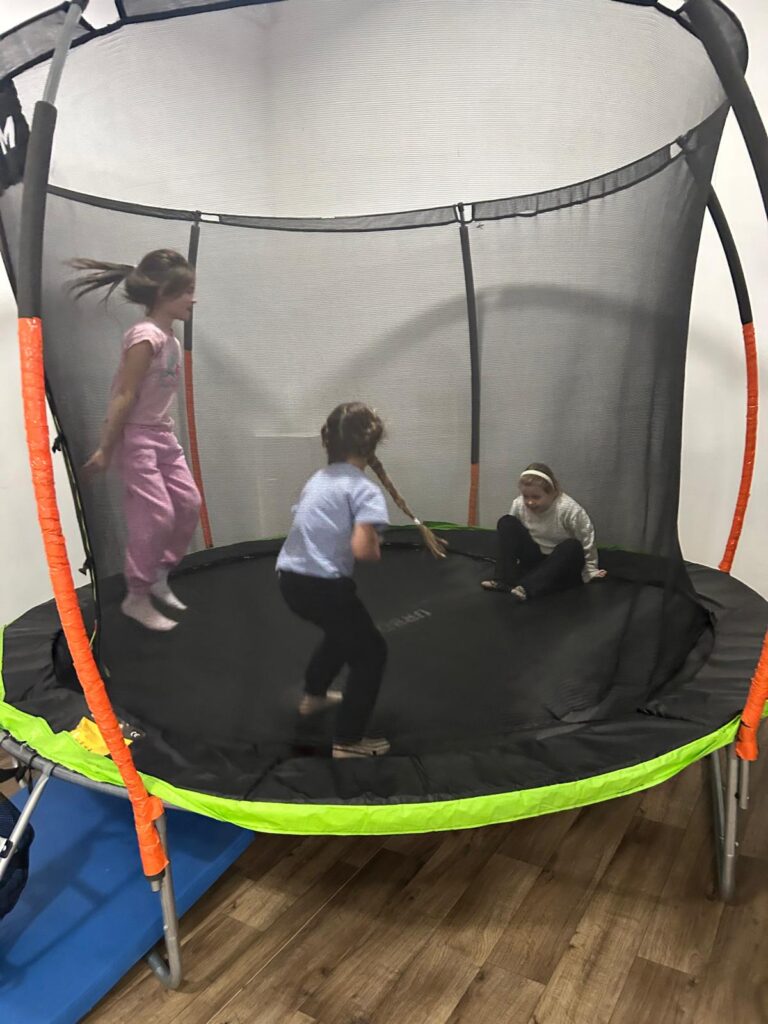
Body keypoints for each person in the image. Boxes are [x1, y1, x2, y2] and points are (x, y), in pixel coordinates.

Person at [277, 401, 446, 759]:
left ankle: (314, 697)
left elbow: (312, 523)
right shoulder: (364, 490)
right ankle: (348, 741)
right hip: (324, 586)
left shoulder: (318, 479)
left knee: (343, 634)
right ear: (372, 446)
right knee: (371, 652)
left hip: (290, 580)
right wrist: (374, 542)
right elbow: (363, 550)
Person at [69, 249, 202, 631]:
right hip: (137, 439)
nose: (193, 299)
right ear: (163, 294)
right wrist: (106, 449)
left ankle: (159, 574)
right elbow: (124, 394)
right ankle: (136, 596)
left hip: (162, 435)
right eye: (186, 291)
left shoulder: (169, 337)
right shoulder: (145, 338)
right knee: (157, 516)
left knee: (188, 504)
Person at [481, 462, 605, 601]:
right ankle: (504, 580)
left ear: (552, 492)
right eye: (526, 496)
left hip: (559, 563)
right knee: (507, 522)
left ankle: (527, 588)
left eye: (536, 497)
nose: (530, 502)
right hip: (534, 557)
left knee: (573, 546)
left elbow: (586, 538)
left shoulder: (568, 509)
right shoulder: (519, 504)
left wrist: (590, 570)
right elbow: (511, 536)